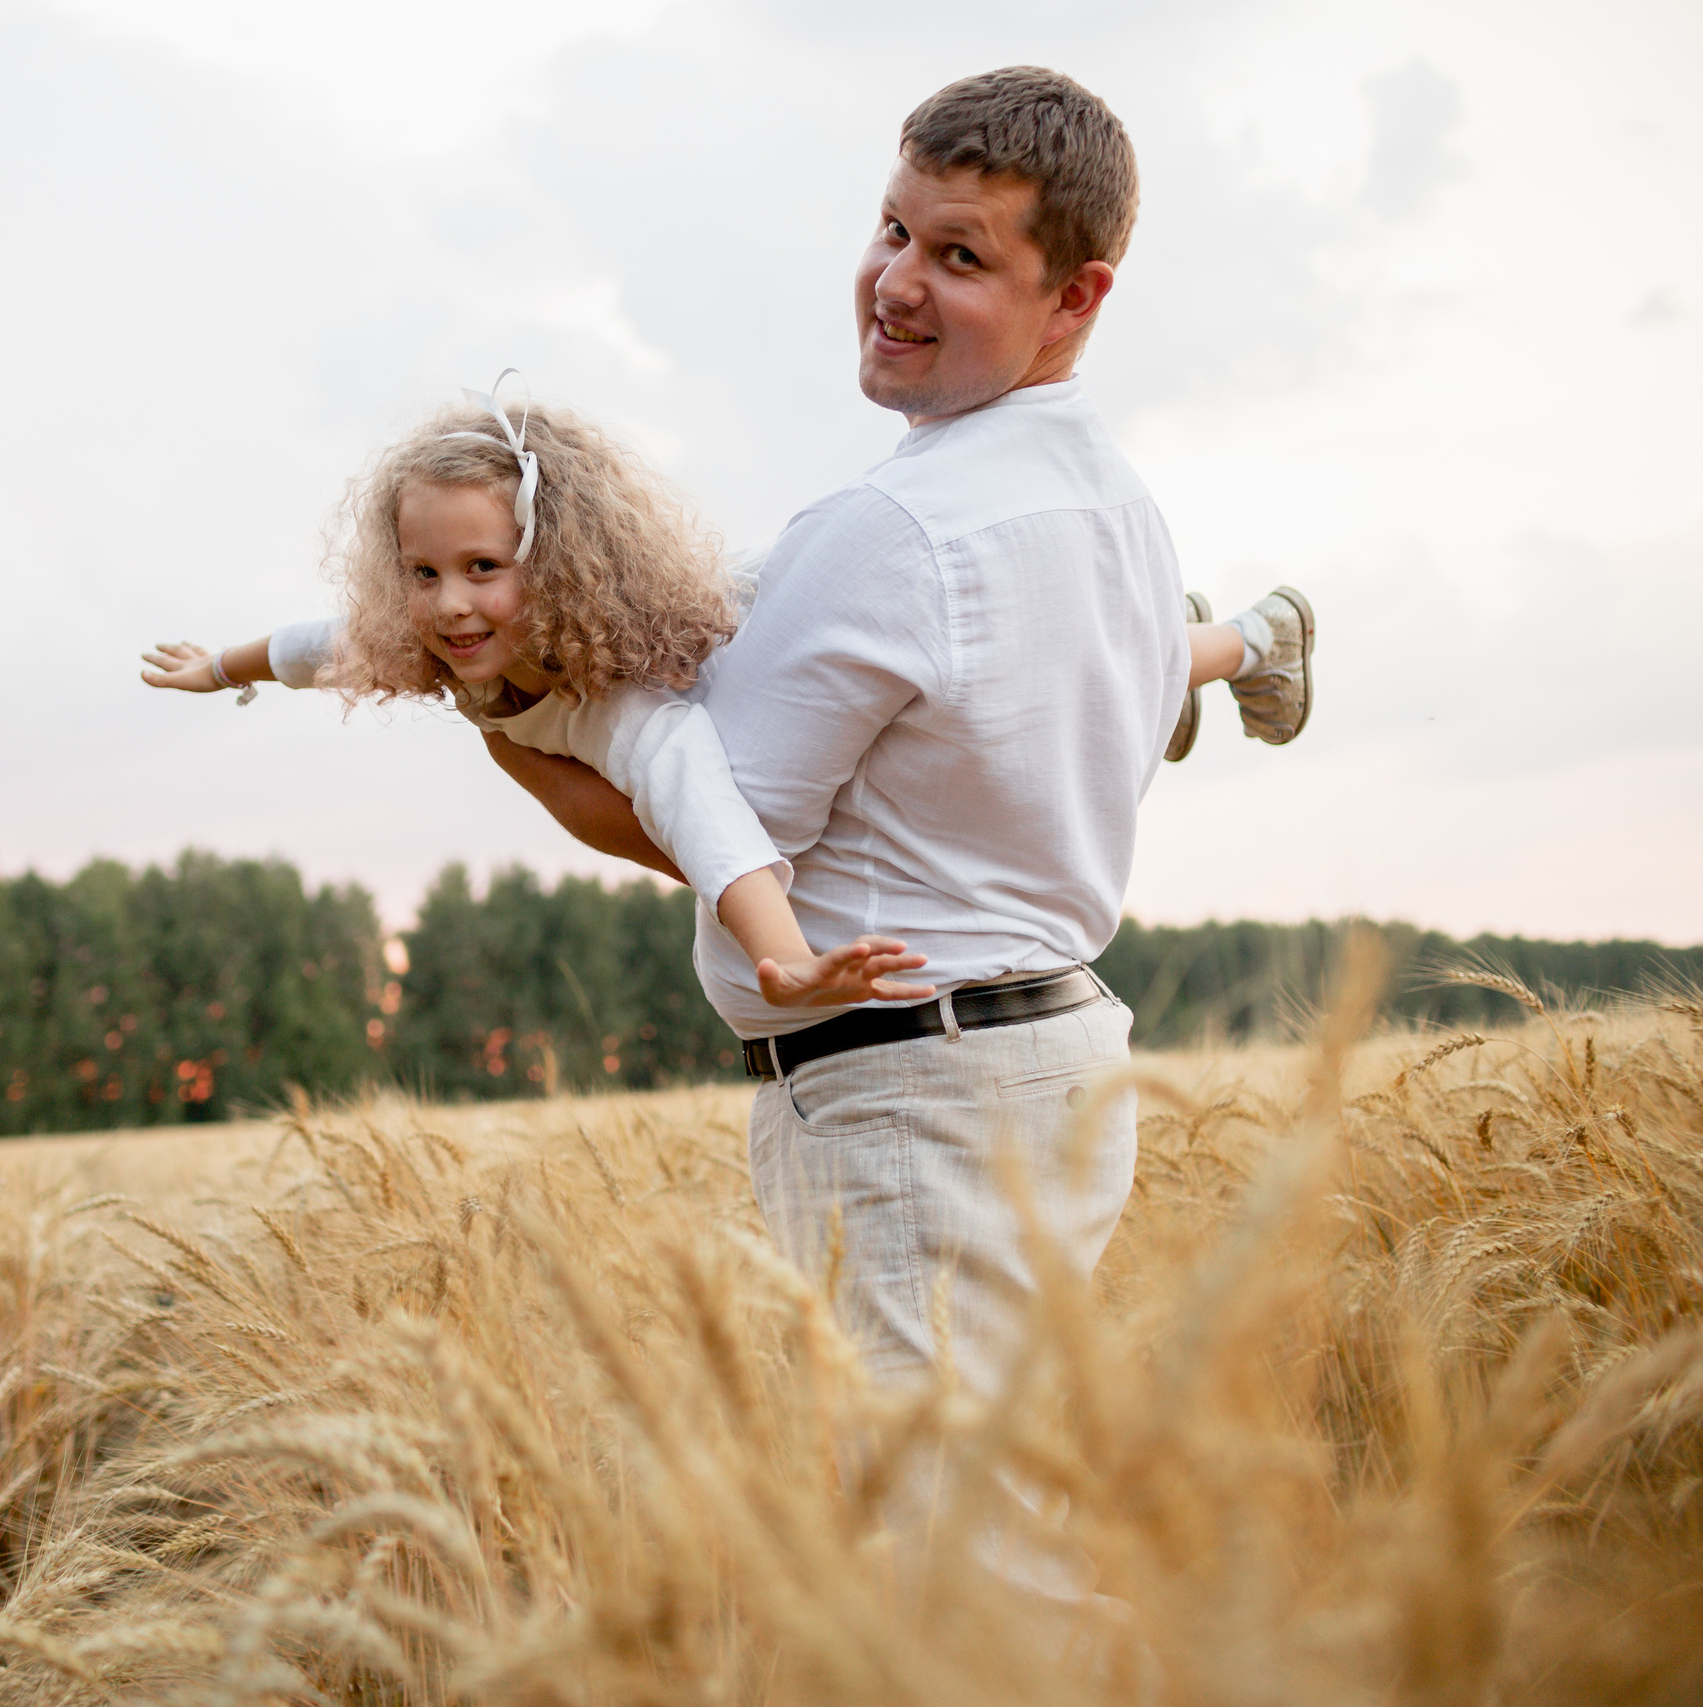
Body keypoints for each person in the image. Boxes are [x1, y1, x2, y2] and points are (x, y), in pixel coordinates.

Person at [467, 66, 1311, 1603]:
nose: (896, 282)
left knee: (954, 1587)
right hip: (1050, 1063)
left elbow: (711, 829)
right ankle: (1221, 661)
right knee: (1001, 1538)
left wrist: (495, 711)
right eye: (893, 228)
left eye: (960, 255)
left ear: (1078, 295)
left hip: (919, 1091)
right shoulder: (1119, 504)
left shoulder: (885, 533)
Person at [143, 381, 938, 1011]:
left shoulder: (616, 707)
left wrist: (786, 962)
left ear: (555, 564)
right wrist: (218, 669)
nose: (450, 602)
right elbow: (320, 644)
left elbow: (705, 816)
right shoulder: (448, 648)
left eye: (483, 567)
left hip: (763, 606)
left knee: (824, 546)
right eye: (424, 573)